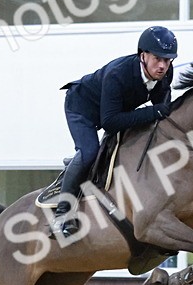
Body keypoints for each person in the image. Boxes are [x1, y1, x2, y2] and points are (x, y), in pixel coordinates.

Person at [53, 25, 179, 236]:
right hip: (82, 107)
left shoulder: (165, 74)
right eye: (157, 58)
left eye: (167, 60)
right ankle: (62, 215)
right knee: (89, 153)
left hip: (115, 110)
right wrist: (155, 112)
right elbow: (110, 122)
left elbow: (161, 114)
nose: (162, 66)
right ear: (143, 55)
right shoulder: (117, 74)